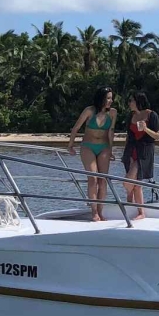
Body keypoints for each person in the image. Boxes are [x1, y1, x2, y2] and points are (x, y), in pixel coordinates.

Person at [68, 87, 118, 222]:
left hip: (104, 147)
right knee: (93, 178)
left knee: (103, 180)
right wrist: (70, 145)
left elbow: (111, 132)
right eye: (108, 98)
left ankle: (101, 212)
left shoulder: (113, 113)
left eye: (111, 98)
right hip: (88, 146)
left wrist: (111, 150)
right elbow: (76, 128)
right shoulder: (89, 110)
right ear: (101, 98)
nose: (111, 101)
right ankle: (94, 212)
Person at [121, 91, 159, 220]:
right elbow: (129, 136)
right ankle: (139, 211)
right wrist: (126, 153)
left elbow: (158, 135)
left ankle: (135, 206)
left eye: (131, 101)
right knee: (136, 184)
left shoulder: (151, 115)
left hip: (144, 151)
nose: (129, 103)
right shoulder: (131, 116)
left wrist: (145, 129)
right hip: (131, 150)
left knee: (128, 183)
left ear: (138, 101)